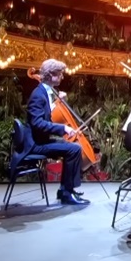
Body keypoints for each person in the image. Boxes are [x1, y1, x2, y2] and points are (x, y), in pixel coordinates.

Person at [26, 58, 90, 205]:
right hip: (36, 144)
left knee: (73, 147)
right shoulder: (38, 94)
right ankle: (67, 193)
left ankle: (65, 190)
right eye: (59, 74)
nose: (62, 76)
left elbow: (47, 115)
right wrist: (63, 128)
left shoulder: (44, 92)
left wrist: (58, 101)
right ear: (50, 75)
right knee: (74, 149)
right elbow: (37, 123)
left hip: (41, 140)